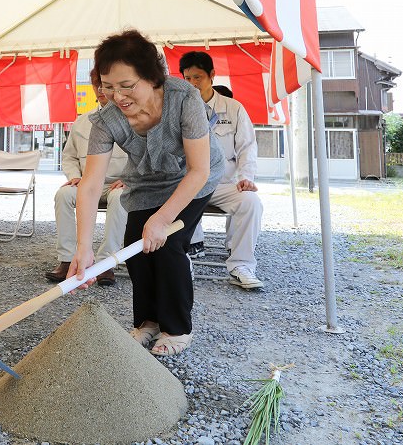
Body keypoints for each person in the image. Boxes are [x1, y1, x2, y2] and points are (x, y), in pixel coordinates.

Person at [68, 30, 224, 357]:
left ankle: (177, 328)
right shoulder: (105, 120)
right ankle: (148, 322)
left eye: (127, 86)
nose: (117, 96)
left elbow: (199, 170)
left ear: (152, 78)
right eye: (108, 86)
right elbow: (91, 183)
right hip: (147, 182)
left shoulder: (184, 98)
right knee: (135, 248)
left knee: (166, 245)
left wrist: (163, 218)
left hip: (193, 177)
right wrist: (83, 248)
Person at [180, 51, 264, 289]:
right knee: (166, 199)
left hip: (225, 183)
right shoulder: (179, 109)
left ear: (212, 76)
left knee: (251, 203)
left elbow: (247, 146)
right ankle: (180, 261)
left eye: (198, 77)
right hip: (190, 183)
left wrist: (246, 178)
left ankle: (241, 265)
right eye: (187, 79)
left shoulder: (233, 108)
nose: (193, 84)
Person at [45, 69, 128, 286]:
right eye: (98, 85)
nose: (102, 90)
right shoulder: (82, 121)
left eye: (107, 86)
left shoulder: (131, 119)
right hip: (87, 181)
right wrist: (74, 176)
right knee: (63, 194)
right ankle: (66, 258)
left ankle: (106, 263)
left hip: (119, 184)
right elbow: (70, 156)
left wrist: (131, 179)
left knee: (120, 199)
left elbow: (143, 157)